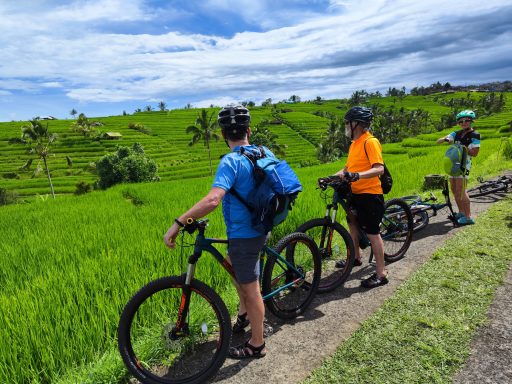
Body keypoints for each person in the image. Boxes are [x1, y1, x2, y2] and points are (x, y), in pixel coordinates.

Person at [164, 104, 268, 359]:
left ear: (223, 135)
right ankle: (243, 312)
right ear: (249, 131)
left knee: (251, 287)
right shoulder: (263, 152)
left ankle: (257, 344)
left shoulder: (231, 161)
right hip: (261, 225)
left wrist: (178, 223)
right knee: (232, 264)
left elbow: (212, 200)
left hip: (245, 234)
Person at [332, 106, 388, 288]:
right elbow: (348, 168)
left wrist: (358, 175)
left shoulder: (370, 142)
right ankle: (356, 257)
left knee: (373, 233)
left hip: (370, 194)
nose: (346, 126)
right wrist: (331, 177)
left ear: (356, 124)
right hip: (355, 193)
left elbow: (379, 168)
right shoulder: (354, 144)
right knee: (353, 224)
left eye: (348, 123)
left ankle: (381, 274)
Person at [436, 110, 480, 225]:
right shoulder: (457, 133)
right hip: (453, 164)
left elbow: (475, 153)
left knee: (461, 191)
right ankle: (461, 212)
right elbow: (440, 141)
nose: (463, 123)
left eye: (466, 121)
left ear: (471, 121)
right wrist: (446, 139)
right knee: (454, 190)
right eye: (461, 121)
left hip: (464, 165)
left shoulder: (475, 135)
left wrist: (463, 147)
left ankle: (468, 217)